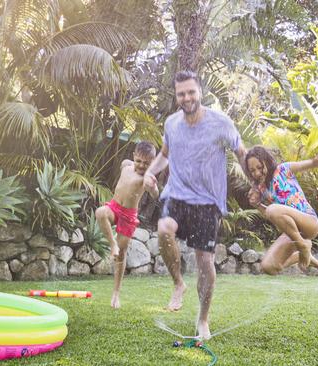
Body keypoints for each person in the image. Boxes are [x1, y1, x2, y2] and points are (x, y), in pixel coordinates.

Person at [143, 71, 247, 340]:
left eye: (191, 92)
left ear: (200, 92)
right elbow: (164, 156)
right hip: (177, 194)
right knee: (164, 228)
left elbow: (242, 154)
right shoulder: (171, 124)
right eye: (181, 94)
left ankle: (203, 319)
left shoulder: (220, 123)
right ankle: (179, 284)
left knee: (205, 261)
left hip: (207, 202)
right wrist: (150, 173)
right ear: (176, 96)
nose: (186, 97)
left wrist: (258, 184)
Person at [245, 145, 318, 275]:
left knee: (272, 209)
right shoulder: (262, 188)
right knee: (268, 266)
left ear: (266, 161)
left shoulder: (283, 169)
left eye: (259, 167)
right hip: (292, 232)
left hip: (309, 222)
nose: (256, 173)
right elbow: (273, 215)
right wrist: (257, 204)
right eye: (252, 171)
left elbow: (312, 163)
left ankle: (302, 245)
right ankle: (300, 253)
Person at [95, 141, 159, 309]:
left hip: (128, 216)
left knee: (121, 255)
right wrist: (132, 164)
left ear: (152, 163)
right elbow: (126, 164)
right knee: (100, 212)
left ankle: (116, 293)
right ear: (134, 157)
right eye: (139, 161)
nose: (141, 165)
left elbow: (154, 192)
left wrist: (153, 188)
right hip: (114, 207)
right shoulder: (126, 165)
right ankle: (112, 244)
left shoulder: (147, 178)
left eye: (146, 163)